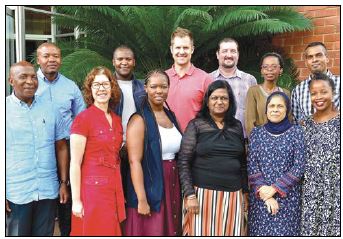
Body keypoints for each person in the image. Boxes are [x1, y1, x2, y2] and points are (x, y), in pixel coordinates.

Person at [6, 61, 69, 236]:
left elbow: (62, 147)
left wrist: (63, 182)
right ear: (11, 81)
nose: (30, 81)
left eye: (33, 76)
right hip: (17, 192)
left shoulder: (51, 108)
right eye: (23, 77)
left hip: (47, 190)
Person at [178, 80, 248, 236]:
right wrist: (189, 195)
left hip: (233, 196)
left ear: (230, 101)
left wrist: (245, 193)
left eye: (224, 98)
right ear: (207, 102)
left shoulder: (236, 126)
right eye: (214, 98)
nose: (219, 102)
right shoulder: (196, 125)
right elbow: (183, 162)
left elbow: (242, 163)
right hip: (202, 196)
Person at [36, 42, 86, 236]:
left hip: (67, 150)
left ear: (61, 59)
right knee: (43, 204)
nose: (52, 60)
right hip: (40, 151)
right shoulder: (30, 83)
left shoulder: (70, 86)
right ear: (38, 59)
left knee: (67, 201)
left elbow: (81, 118)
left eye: (56, 56)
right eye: (46, 56)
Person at [125, 70, 182, 236]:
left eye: (163, 87)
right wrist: (141, 199)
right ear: (145, 88)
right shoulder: (139, 119)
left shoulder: (170, 115)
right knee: (152, 230)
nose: (159, 91)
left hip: (171, 181)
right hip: (151, 184)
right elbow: (134, 161)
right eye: (154, 86)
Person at [69, 66, 125, 236]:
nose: (101, 89)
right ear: (90, 90)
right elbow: (75, 163)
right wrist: (76, 200)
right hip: (92, 190)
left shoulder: (116, 120)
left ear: (112, 87)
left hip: (113, 187)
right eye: (96, 85)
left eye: (105, 84)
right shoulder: (83, 119)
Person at [247, 91, 305, 236]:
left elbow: (299, 166)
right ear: (266, 110)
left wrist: (275, 189)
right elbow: (252, 164)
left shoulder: (297, 132)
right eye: (271, 106)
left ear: (287, 110)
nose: (275, 109)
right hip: (261, 198)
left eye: (280, 106)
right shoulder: (257, 133)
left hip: (288, 199)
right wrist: (265, 194)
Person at [300, 73, 340, 236]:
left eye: (323, 91)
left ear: (333, 93)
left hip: (335, 191)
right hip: (310, 192)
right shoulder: (304, 124)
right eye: (314, 93)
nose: (319, 97)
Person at [111, 45, 145, 201]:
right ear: (113, 62)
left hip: (138, 147)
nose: (124, 62)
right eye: (120, 59)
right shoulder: (106, 86)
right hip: (113, 148)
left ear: (134, 62)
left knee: (135, 193)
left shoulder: (143, 88)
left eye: (128, 59)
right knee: (115, 195)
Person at [166, 27, 213, 132]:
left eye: (186, 48)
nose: (181, 52)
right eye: (178, 47)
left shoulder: (205, 79)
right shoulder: (162, 78)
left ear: (192, 49)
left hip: (195, 142)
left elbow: (212, 114)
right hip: (164, 143)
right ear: (171, 49)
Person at [211, 38, 257, 138]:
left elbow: (254, 112)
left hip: (242, 139)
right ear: (217, 54)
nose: (229, 55)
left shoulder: (250, 80)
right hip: (214, 138)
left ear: (238, 55)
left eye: (233, 51)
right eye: (224, 51)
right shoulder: (208, 79)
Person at [291, 41, 340, 123]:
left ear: (327, 58)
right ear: (306, 62)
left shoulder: (340, 83)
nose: (314, 60)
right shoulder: (298, 90)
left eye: (319, 55)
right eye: (310, 57)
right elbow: (296, 123)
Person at [245, 52, 291, 137]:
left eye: (274, 67)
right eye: (265, 67)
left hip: (283, 141)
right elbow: (249, 122)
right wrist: (256, 142)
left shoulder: (286, 93)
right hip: (260, 140)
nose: (269, 69)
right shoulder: (254, 91)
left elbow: (289, 119)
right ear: (261, 70)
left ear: (280, 70)